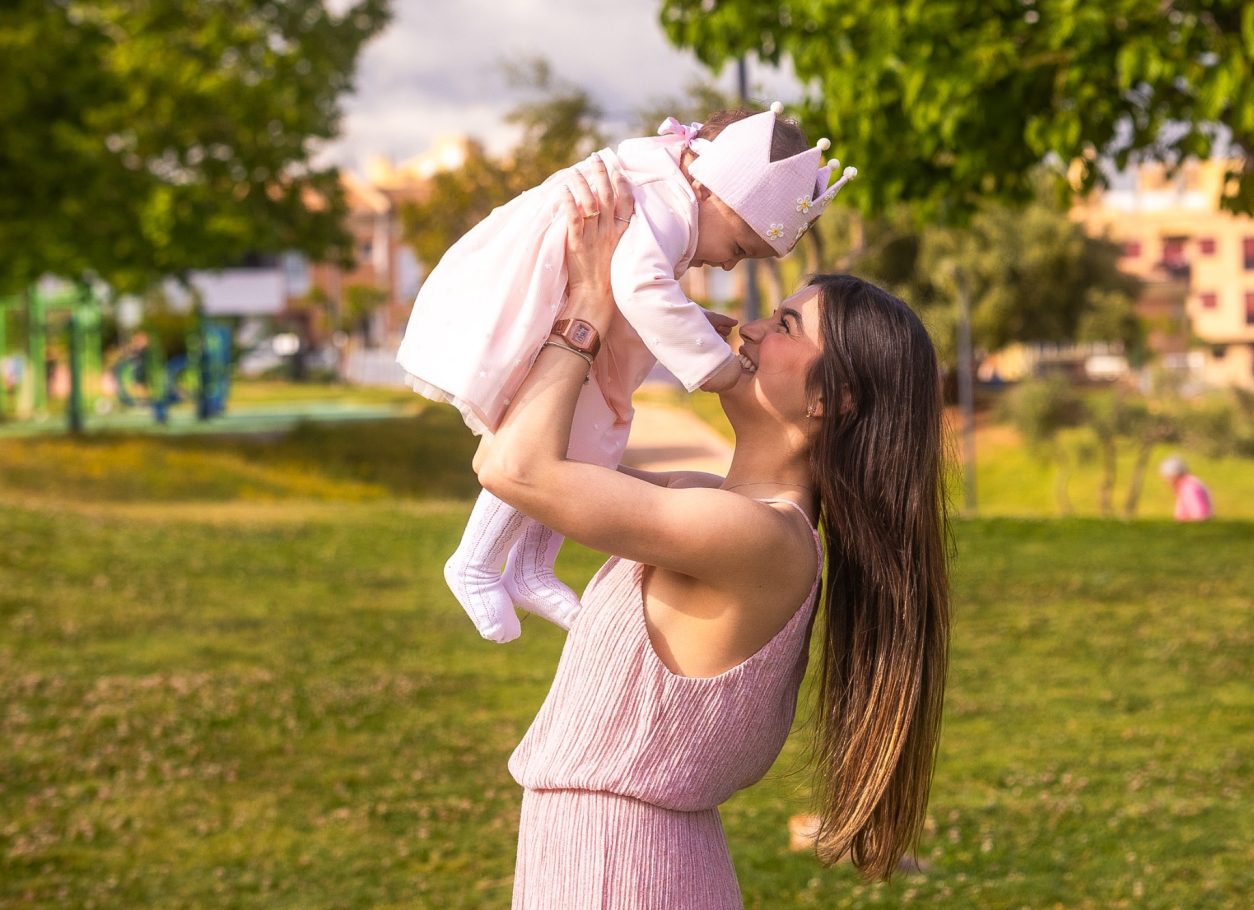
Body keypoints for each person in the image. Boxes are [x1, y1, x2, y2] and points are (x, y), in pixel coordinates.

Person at [476, 156, 951, 906]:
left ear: (834, 397)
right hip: (607, 864)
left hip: (620, 875)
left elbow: (515, 469)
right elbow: (529, 463)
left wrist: (596, 306)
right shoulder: (714, 507)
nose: (752, 327)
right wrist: (617, 299)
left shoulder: (757, 539)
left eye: (786, 325)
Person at [398, 103, 858, 643]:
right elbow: (638, 288)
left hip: (569, 297)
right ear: (712, 188)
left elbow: (632, 290)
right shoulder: (668, 203)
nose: (731, 266)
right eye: (738, 248)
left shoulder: (672, 195)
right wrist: (719, 369)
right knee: (559, 428)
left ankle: (528, 565)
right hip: (547, 292)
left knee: (590, 433)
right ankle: (475, 561)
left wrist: (686, 324)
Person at [1159, 455, 1213, 521]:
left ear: (1174, 476)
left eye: (1167, 478)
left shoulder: (1189, 488)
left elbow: (1200, 516)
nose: (1166, 482)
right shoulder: (1186, 486)